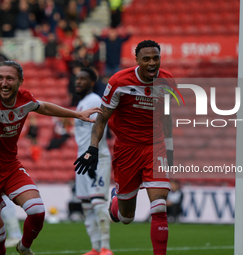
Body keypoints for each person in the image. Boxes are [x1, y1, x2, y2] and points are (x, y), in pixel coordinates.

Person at [0, 60, 101, 255]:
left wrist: (77, 115)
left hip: (9, 168)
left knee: (37, 211)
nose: (3, 83)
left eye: (9, 78)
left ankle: (24, 247)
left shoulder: (25, 99)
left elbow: (43, 107)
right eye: (0, 78)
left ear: (20, 80)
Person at [74, 40, 174, 255]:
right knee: (126, 218)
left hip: (155, 147)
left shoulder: (167, 81)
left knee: (159, 207)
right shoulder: (119, 81)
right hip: (127, 150)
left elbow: (166, 117)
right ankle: (117, 200)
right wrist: (92, 149)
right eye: (146, 58)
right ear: (137, 60)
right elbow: (101, 119)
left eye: (156, 58)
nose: (152, 62)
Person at [74, 67, 113, 255]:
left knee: (98, 203)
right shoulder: (81, 103)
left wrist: (92, 153)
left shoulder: (96, 100)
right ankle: (95, 248)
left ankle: (106, 247)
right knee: (86, 205)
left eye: (83, 79)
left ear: (91, 82)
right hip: (82, 158)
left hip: (96, 157)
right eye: (77, 79)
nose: (78, 82)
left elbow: (100, 127)